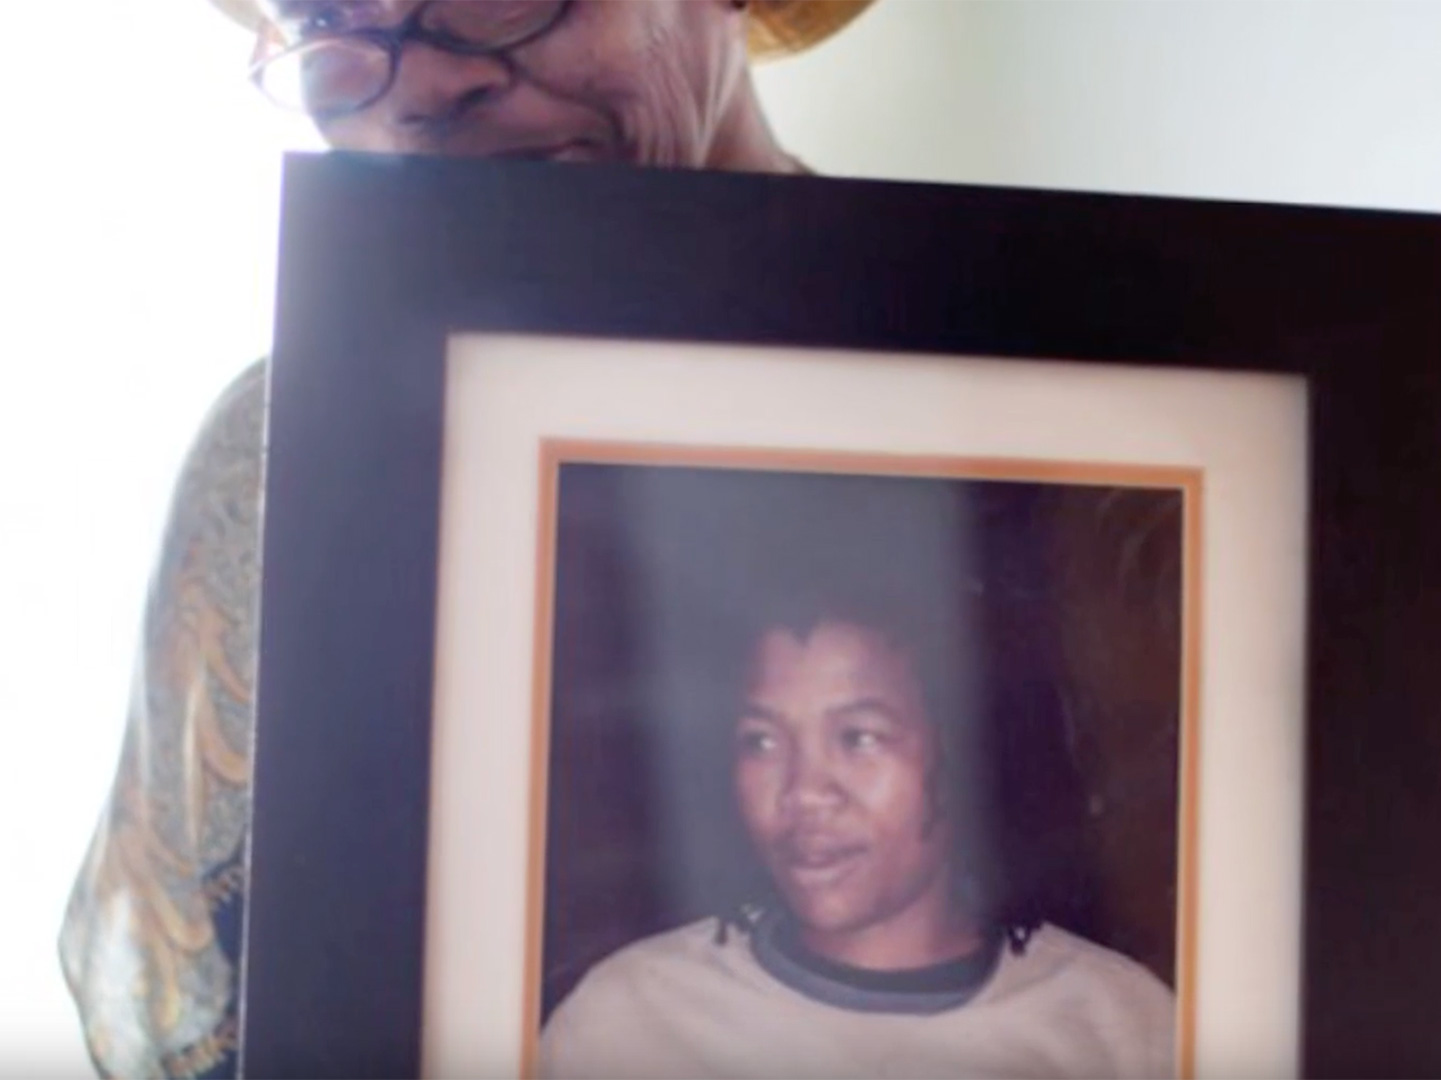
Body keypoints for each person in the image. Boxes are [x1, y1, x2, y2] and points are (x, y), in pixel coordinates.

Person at [57, 3, 873, 1077]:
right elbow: (164, 1003)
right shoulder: (275, 454)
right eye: (328, 19)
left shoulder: (1061, 395)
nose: (420, 88)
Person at [538, 576, 1176, 1079]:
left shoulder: (1121, 1024)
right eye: (761, 742)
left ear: (971, 754)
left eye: (859, 737)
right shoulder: (629, 1019)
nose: (804, 792)